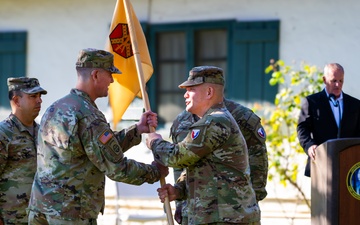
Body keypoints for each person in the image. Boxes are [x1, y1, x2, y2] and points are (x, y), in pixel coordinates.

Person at [27, 48, 168, 225]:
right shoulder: (88, 115)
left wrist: (137, 130)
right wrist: (155, 171)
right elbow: (116, 167)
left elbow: (96, 149)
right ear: (95, 75)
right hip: (70, 213)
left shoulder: (56, 107)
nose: (112, 80)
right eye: (109, 74)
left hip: (41, 208)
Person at [146, 66, 260, 225]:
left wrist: (154, 141)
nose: (185, 94)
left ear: (209, 92)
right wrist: (178, 191)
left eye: (191, 89)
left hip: (226, 218)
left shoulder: (216, 121)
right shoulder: (210, 120)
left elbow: (178, 156)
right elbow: (203, 169)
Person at [171, 98, 268, 224]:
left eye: (193, 87)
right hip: (194, 213)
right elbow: (179, 167)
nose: (186, 94)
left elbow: (258, 161)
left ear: (209, 89)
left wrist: (250, 202)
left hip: (233, 214)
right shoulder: (181, 121)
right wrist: (180, 203)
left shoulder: (242, 116)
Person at [297, 63, 360, 177]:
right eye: (334, 80)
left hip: (350, 165)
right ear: (324, 80)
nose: (338, 85)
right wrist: (309, 145)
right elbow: (302, 128)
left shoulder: (355, 104)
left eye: (341, 81)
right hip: (321, 162)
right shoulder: (312, 102)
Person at [0, 77, 47, 225]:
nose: (39, 101)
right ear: (17, 100)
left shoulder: (44, 133)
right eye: (33, 96)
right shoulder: (4, 133)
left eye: (40, 96)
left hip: (40, 219)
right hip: (11, 219)